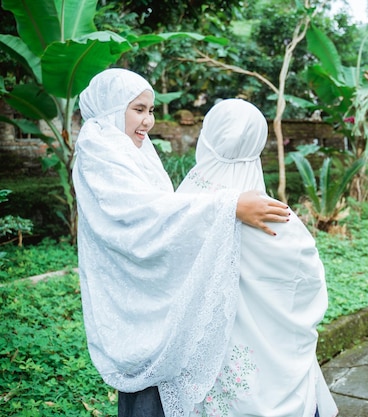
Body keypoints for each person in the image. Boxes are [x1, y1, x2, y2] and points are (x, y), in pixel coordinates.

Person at [72, 68, 289, 417]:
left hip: (155, 288)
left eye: (151, 110)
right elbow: (143, 215)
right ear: (112, 108)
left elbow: (166, 212)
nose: (148, 121)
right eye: (138, 109)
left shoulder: (131, 149)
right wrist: (230, 206)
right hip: (134, 292)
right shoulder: (100, 150)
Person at [177, 99, 338, 417]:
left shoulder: (180, 206)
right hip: (269, 362)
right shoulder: (276, 215)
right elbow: (309, 282)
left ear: (207, 136)